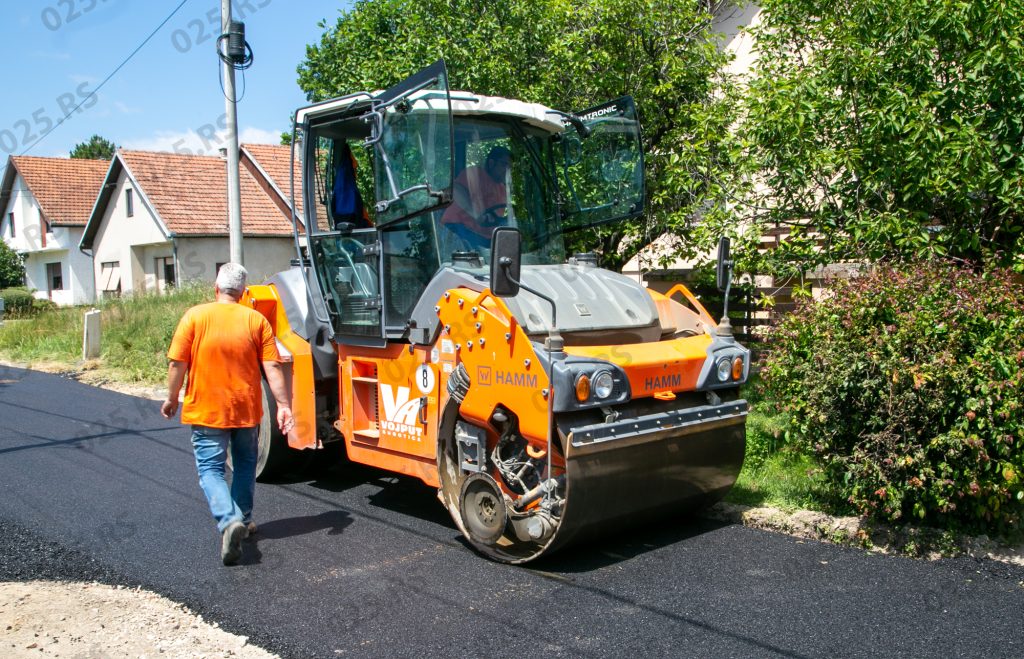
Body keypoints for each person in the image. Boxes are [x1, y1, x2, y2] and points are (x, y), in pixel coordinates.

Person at [160, 263, 293, 566]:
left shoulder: (195, 316)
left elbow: (176, 363)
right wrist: (283, 405)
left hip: (206, 409)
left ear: (216, 288)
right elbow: (272, 367)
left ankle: (228, 520)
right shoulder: (256, 320)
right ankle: (243, 521)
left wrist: (171, 397)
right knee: (245, 464)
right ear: (244, 292)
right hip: (246, 409)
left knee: (210, 470)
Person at [441, 146, 512, 252]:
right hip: (456, 229)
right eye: (504, 165)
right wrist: (475, 213)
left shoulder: (502, 189)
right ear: (491, 163)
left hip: (482, 238)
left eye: (510, 167)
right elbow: (456, 190)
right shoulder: (475, 174)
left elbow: (494, 219)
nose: (507, 171)